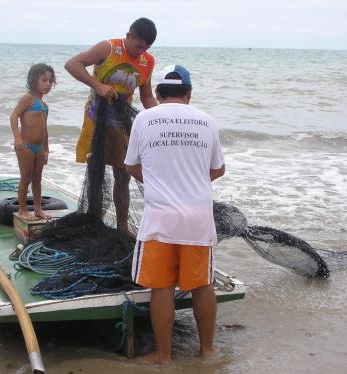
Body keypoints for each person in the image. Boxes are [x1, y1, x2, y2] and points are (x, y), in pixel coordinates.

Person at [124, 65, 226, 364]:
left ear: (157, 93)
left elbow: (131, 165)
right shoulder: (207, 121)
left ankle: (163, 355)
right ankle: (207, 350)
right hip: (198, 218)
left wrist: (159, 181)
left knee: (162, 287)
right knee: (203, 284)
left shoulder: (144, 118)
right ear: (189, 93)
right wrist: (190, 181)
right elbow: (218, 169)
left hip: (160, 218)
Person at [64, 17, 158, 234]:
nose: (140, 52)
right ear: (129, 36)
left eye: (145, 48)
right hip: (96, 120)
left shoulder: (148, 62)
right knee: (95, 173)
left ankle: (123, 227)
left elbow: (147, 97)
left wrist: (162, 117)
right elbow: (72, 64)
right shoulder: (108, 48)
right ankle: (94, 222)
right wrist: (97, 85)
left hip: (121, 123)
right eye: (137, 46)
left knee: (123, 174)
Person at [10, 63, 56, 221]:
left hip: (39, 148)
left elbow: (45, 129)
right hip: (26, 146)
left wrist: (47, 150)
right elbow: (14, 116)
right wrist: (17, 137)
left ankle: (38, 209)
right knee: (26, 178)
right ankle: (23, 210)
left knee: (37, 179)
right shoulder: (27, 99)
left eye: (50, 81)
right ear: (33, 80)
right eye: (44, 80)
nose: (48, 84)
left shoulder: (44, 106)